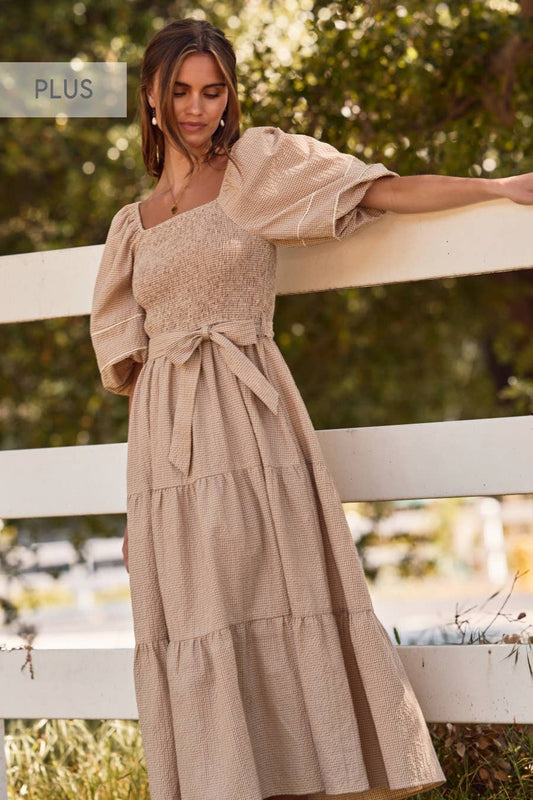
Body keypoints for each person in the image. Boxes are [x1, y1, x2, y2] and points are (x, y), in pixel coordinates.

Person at [89, 16, 533, 800]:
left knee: (278, 605)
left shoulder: (255, 168)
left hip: (250, 426)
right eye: (180, 91)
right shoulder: (131, 227)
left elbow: (380, 190)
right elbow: (140, 370)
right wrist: (139, 510)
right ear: (151, 101)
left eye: (213, 89)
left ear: (229, 96)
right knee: (197, 632)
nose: (198, 107)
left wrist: (496, 187)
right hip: (165, 457)